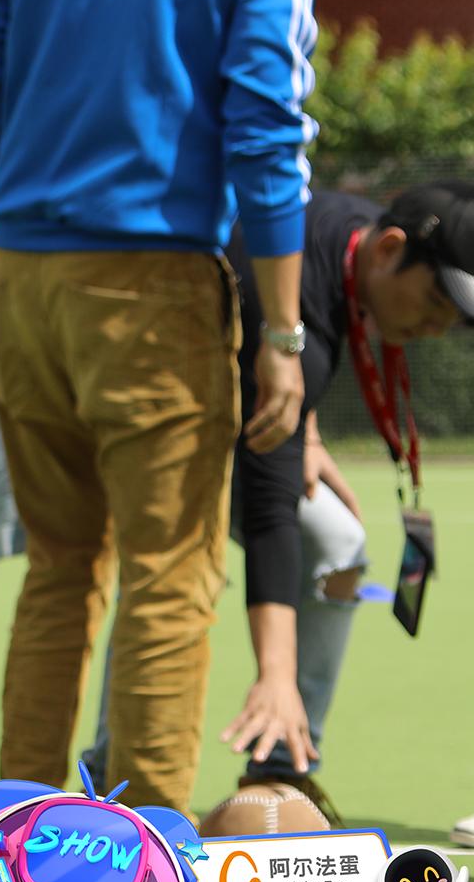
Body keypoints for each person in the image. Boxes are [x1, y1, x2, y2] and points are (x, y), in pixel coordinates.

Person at [0, 0, 320, 815]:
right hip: (155, 282)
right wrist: (282, 330)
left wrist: (32, 203)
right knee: (171, 573)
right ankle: (143, 871)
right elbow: (270, 133)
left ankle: (10, 844)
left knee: (61, 569)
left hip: (22, 275)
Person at [83, 179, 474, 814]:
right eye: (435, 300)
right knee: (170, 572)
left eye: (453, 316)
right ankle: (109, 788)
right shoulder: (305, 324)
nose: (438, 326)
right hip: (129, 402)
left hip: (223, 401)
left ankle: (281, 770)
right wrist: (276, 673)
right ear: (388, 249)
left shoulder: (353, 230)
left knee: (337, 544)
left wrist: (307, 425)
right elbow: (269, 514)